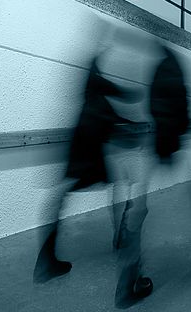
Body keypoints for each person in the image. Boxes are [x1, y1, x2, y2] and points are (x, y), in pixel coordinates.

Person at [114, 45, 191, 308]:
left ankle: (127, 278)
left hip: (155, 139)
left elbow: (152, 105)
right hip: (176, 140)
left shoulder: (157, 69)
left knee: (138, 205)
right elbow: (184, 108)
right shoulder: (176, 66)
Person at [33, 54, 142, 284]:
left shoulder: (94, 95)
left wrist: (129, 121)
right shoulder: (96, 90)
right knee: (105, 188)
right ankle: (118, 239)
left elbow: (112, 115)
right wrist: (136, 96)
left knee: (66, 194)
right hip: (88, 154)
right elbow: (114, 108)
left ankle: (47, 258)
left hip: (84, 152)